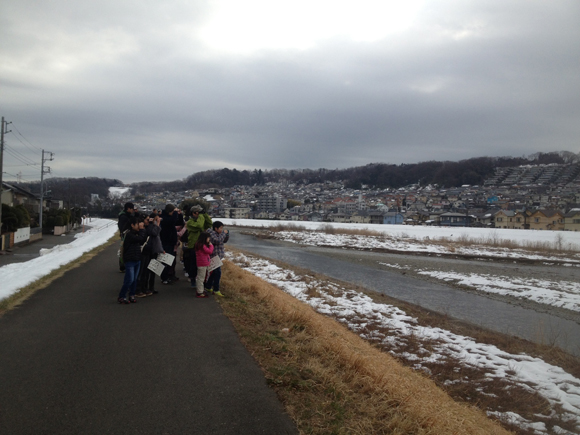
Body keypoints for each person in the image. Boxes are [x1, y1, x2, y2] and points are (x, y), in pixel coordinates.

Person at [118, 216, 146, 304]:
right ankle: (121, 296)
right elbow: (140, 239)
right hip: (130, 260)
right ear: (132, 225)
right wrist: (142, 230)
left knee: (134, 279)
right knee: (129, 279)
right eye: (137, 224)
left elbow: (142, 240)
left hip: (137, 258)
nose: (139, 226)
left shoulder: (135, 233)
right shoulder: (129, 234)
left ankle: (132, 295)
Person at [136, 213, 163, 297]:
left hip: (150, 251)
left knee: (147, 271)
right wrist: (155, 224)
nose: (149, 221)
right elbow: (154, 233)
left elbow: (157, 234)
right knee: (142, 272)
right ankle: (139, 288)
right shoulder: (144, 229)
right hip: (144, 251)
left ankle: (146, 287)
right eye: (147, 219)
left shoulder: (148, 227)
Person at [185, 205, 212, 288]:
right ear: (193, 213)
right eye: (197, 212)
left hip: (202, 246)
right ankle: (193, 279)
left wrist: (205, 214)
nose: (199, 214)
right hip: (193, 246)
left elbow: (210, 223)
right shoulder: (190, 222)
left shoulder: (201, 219)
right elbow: (199, 226)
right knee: (193, 264)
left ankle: (201, 281)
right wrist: (201, 216)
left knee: (202, 265)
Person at [159, 204, 183, 284]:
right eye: (173, 211)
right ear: (169, 211)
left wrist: (180, 214)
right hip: (166, 242)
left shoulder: (170, 217)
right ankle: (164, 278)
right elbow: (172, 221)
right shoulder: (163, 217)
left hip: (171, 242)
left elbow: (179, 222)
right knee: (165, 261)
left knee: (169, 261)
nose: (174, 213)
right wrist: (175, 213)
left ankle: (167, 276)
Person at [205, 221, 229, 297]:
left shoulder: (219, 234)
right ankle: (216, 290)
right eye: (221, 228)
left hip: (217, 256)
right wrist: (223, 234)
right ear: (216, 228)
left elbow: (223, 240)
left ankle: (208, 286)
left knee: (215, 272)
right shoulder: (212, 234)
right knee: (218, 273)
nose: (222, 230)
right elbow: (218, 241)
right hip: (214, 256)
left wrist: (226, 235)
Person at [193, 231, 213, 298]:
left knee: (201, 277)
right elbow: (209, 251)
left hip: (202, 263)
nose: (209, 239)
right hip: (203, 263)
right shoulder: (202, 246)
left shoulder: (199, 245)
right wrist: (211, 245)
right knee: (201, 278)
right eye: (208, 238)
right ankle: (200, 292)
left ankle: (200, 290)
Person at [117, 202, 134, 272]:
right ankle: (122, 266)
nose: (133, 210)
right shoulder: (124, 217)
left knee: (124, 250)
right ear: (128, 209)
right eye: (132, 209)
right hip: (125, 235)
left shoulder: (124, 215)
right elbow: (123, 227)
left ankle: (123, 266)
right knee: (124, 251)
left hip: (124, 235)